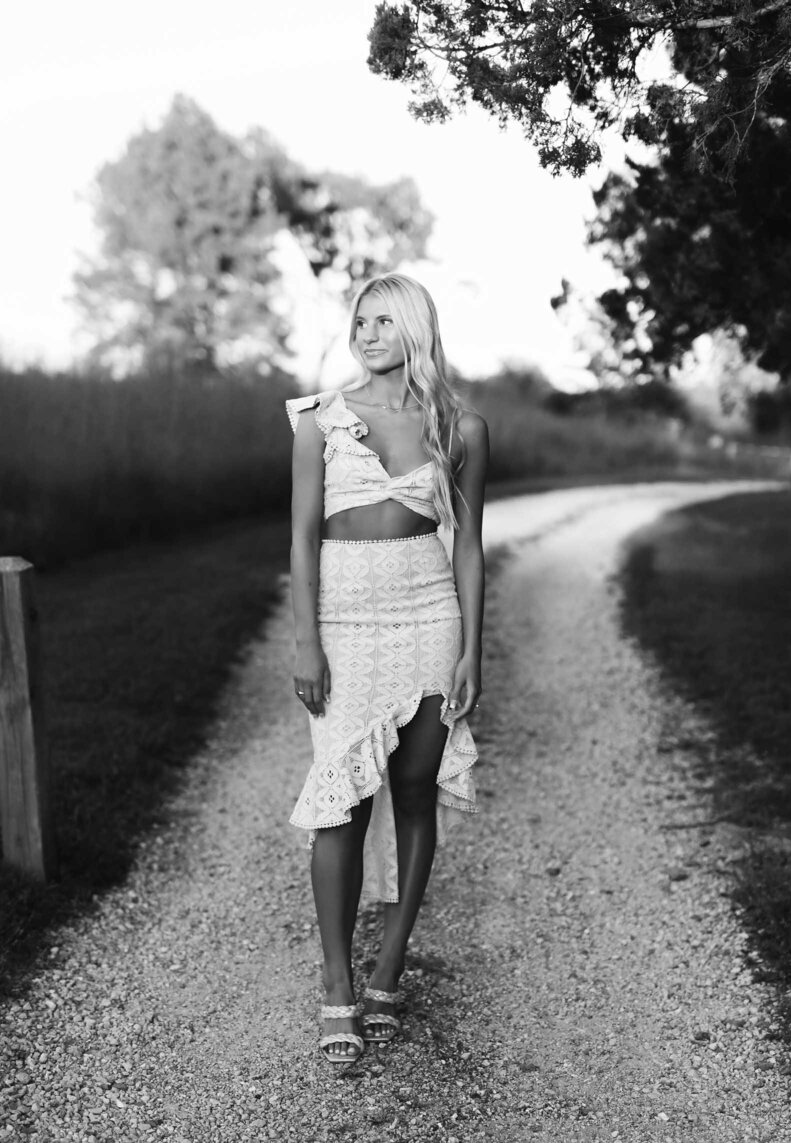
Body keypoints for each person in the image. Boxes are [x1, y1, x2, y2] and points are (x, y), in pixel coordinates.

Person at [286, 272, 488, 1065]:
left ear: (413, 329)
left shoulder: (460, 426)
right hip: (343, 616)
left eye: (381, 321)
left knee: (412, 792)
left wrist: (474, 644)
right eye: (358, 321)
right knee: (339, 801)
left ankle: (390, 962)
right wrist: (307, 640)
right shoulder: (319, 422)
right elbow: (301, 540)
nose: (365, 333)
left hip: (429, 615)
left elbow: (467, 546)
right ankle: (336, 984)